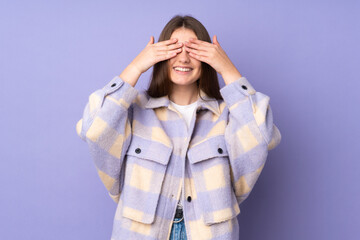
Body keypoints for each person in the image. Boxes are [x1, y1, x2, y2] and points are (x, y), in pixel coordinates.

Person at [76, 14, 281, 240]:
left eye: (193, 50)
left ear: (208, 58)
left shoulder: (227, 115)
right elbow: (93, 129)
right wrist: (135, 67)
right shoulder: (134, 110)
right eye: (174, 49)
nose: (183, 58)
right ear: (159, 56)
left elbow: (263, 137)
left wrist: (228, 70)